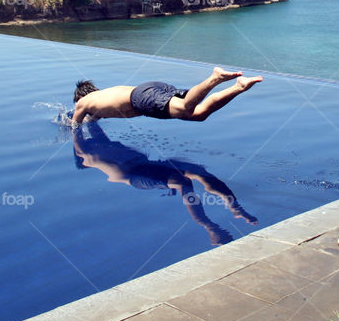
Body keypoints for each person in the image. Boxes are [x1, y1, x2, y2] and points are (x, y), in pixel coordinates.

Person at [72, 121, 257, 245]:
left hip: (150, 165)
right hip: (135, 176)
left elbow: (93, 125)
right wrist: (75, 121)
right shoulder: (87, 156)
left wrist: (86, 111)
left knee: (200, 172)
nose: (90, 140)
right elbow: (77, 135)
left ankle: (235, 207)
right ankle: (208, 226)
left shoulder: (102, 144)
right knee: (182, 183)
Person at [71, 67, 262, 125]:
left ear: (80, 97)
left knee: (185, 107)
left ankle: (215, 78)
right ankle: (238, 87)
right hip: (146, 91)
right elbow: (93, 120)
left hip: (140, 98)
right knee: (198, 114)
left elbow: (75, 125)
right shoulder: (101, 98)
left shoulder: (83, 103)